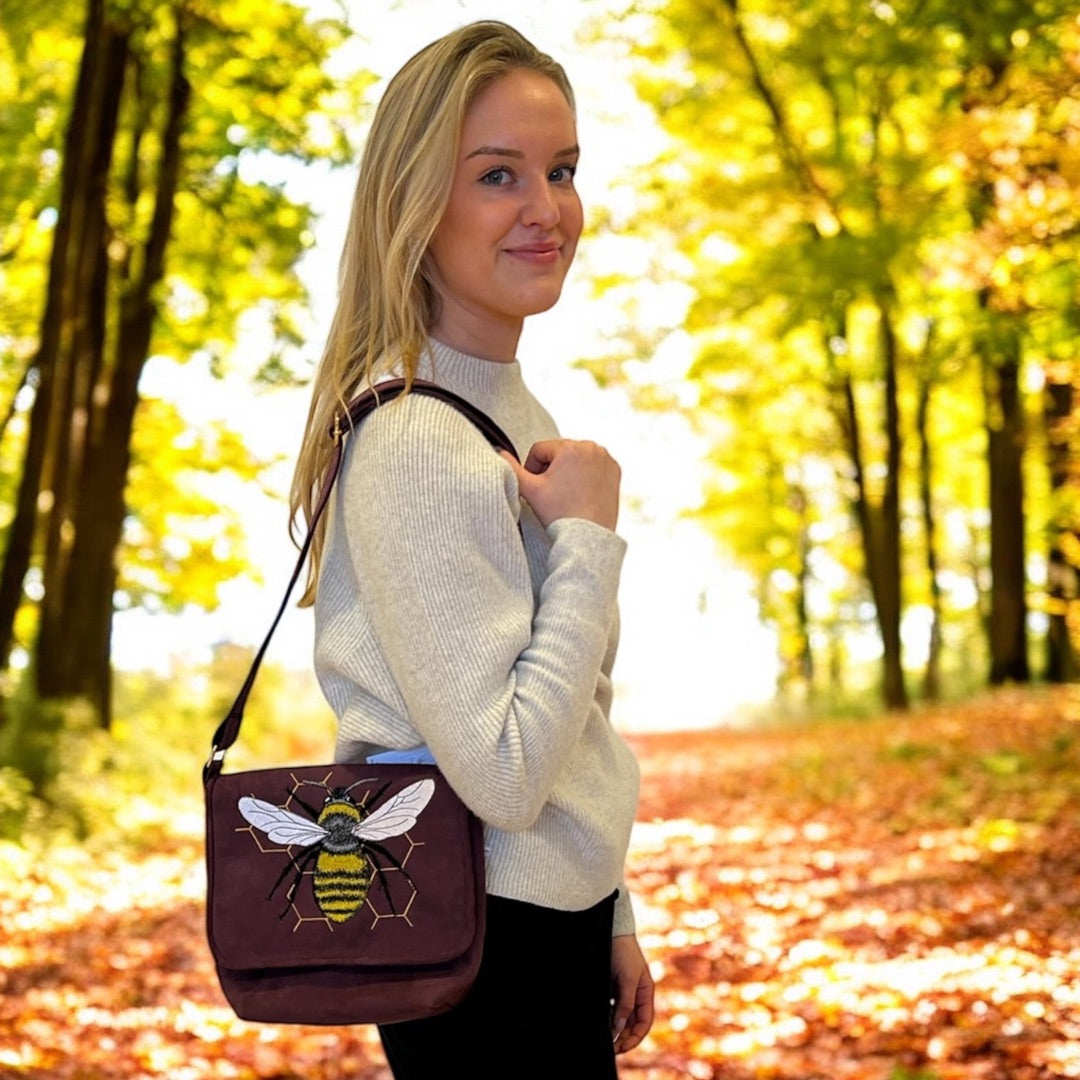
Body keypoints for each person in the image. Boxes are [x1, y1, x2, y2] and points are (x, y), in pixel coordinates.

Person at [290, 20, 654, 1077]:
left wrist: (612, 906)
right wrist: (586, 535)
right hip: (484, 941)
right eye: (499, 175)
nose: (548, 210)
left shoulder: (504, 407)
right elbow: (499, 774)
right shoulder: (416, 437)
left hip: (544, 922)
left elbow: (572, 712)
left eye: (563, 170)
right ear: (417, 203)